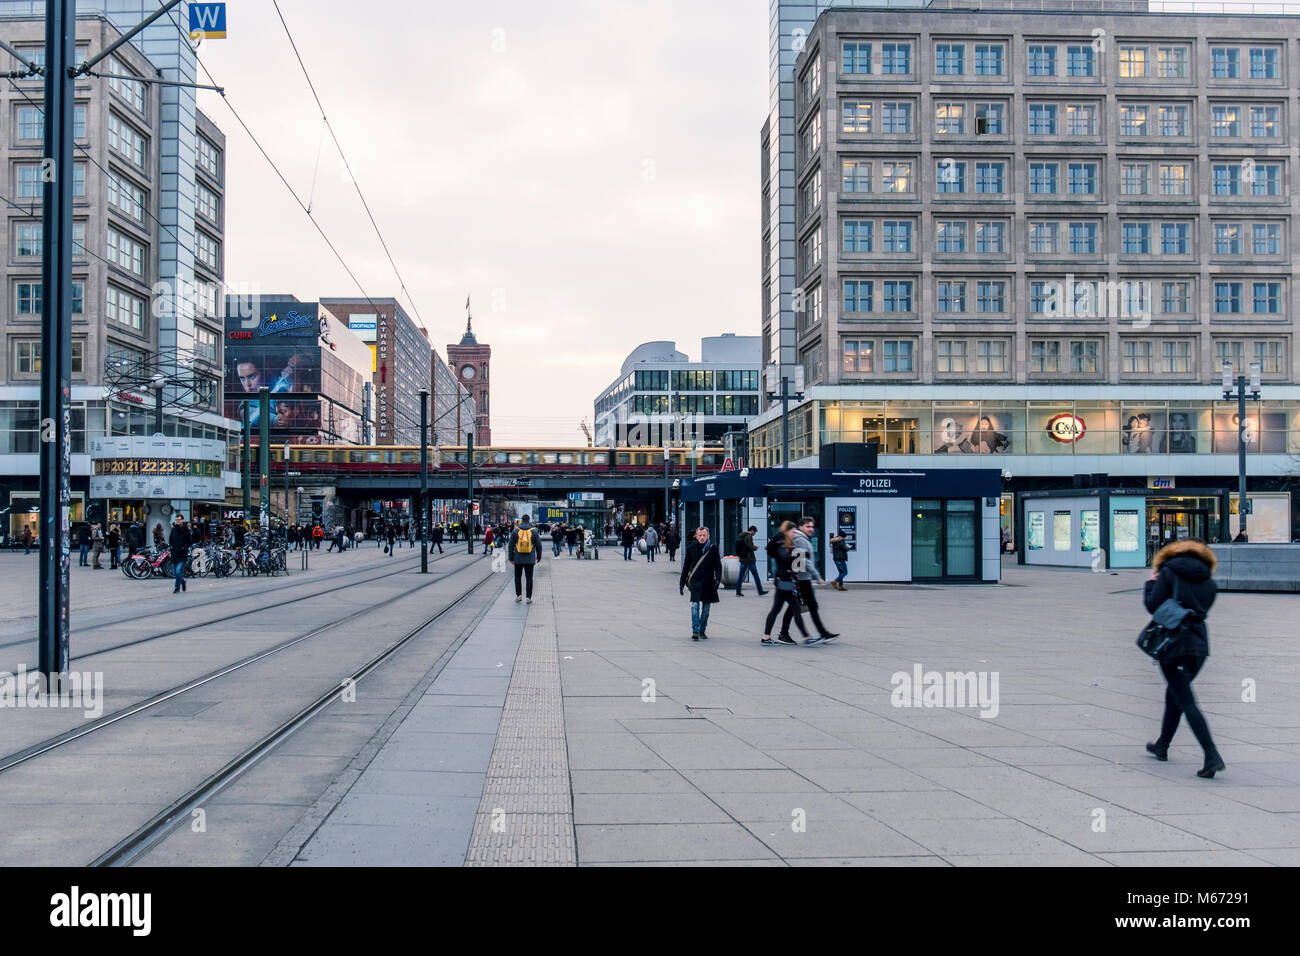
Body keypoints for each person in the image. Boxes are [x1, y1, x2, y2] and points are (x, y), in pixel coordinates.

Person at [1144, 538, 1224, 778]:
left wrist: (1151, 583)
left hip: (1174, 643)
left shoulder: (1168, 573)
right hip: (1199, 645)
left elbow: (1152, 605)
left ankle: (1212, 755)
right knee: (1176, 693)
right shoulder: (1209, 580)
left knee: (1186, 700)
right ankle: (1162, 745)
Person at [792, 517, 839, 643]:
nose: (811, 529)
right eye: (808, 526)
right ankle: (823, 633)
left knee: (796, 607)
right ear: (801, 527)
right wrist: (817, 576)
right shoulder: (800, 540)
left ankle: (783, 633)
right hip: (803, 579)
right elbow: (804, 560)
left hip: (802, 578)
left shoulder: (801, 538)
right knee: (810, 606)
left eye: (812, 526)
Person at [763, 522, 808, 646]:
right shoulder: (781, 544)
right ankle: (807, 637)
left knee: (776, 609)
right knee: (795, 608)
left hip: (784, 581)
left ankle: (766, 637)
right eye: (793, 532)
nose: (794, 534)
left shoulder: (786, 544)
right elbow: (786, 559)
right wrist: (800, 554)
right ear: (787, 531)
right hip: (784, 582)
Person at [679, 526, 723, 641]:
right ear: (696, 536)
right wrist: (681, 583)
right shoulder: (691, 548)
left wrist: (718, 580)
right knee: (694, 606)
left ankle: (702, 630)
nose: (702, 538)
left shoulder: (713, 549)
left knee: (706, 609)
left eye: (704, 535)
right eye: (700, 535)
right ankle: (695, 630)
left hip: (709, 583)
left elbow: (718, 566)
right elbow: (686, 566)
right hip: (696, 583)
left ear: (708, 536)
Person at [508, 514, 541, 604]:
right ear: (529, 520)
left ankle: (519, 596)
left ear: (522, 520)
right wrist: (538, 557)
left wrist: (510, 557)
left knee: (518, 577)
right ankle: (528, 598)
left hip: (518, 559)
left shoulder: (515, 531)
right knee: (529, 578)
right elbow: (539, 545)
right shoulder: (534, 531)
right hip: (530, 559)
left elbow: (510, 545)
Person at [734, 526, 765, 596]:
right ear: (752, 530)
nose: (755, 533)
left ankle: (738, 591)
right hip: (749, 559)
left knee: (740, 576)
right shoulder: (749, 536)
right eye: (755, 532)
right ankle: (760, 591)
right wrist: (755, 547)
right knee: (756, 576)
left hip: (742, 558)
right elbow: (750, 547)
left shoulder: (742, 535)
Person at [169, 514, 191, 594]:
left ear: (182, 520)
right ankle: (183, 581)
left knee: (178, 571)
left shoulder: (186, 530)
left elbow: (189, 542)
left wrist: (184, 548)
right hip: (174, 553)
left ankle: (177, 588)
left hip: (182, 554)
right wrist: (171, 547)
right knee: (175, 573)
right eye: (176, 520)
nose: (177, 521)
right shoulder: (173, 529)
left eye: (179, 519)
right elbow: (170, 539)